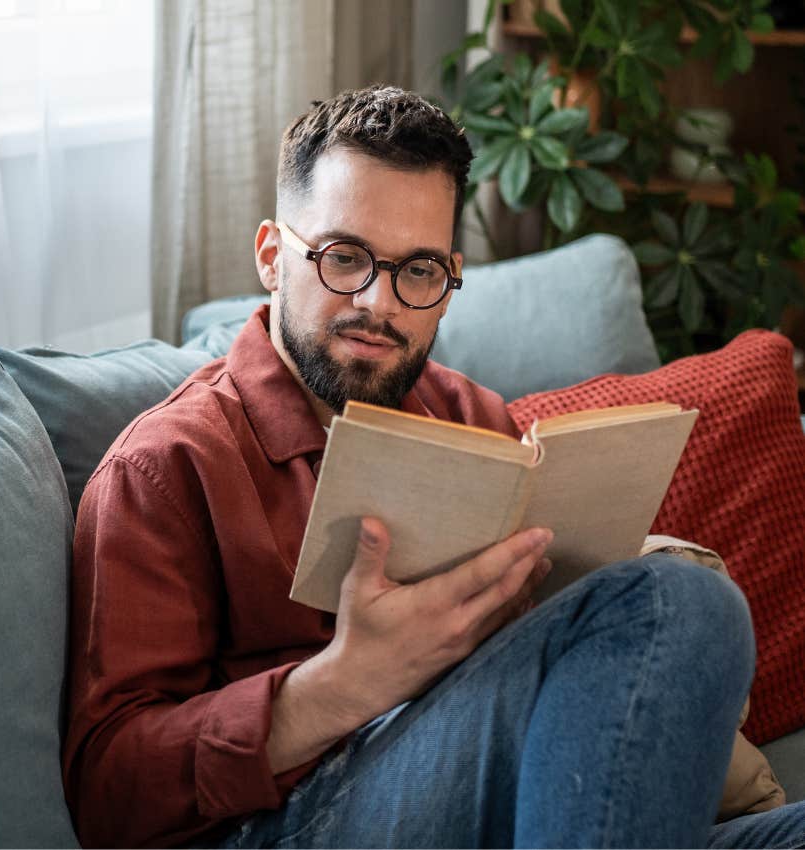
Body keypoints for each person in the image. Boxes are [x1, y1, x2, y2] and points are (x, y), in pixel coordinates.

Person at [62, 85, 805, 849]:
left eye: (417, 270)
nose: (378, 305)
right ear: (272, 257)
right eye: (344, 257)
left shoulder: (474, 419)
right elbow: (108, 792)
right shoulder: (164, 467)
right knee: (672, 602)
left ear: (449, 280)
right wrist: (342, 684)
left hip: (518, 800)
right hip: (291, 822)